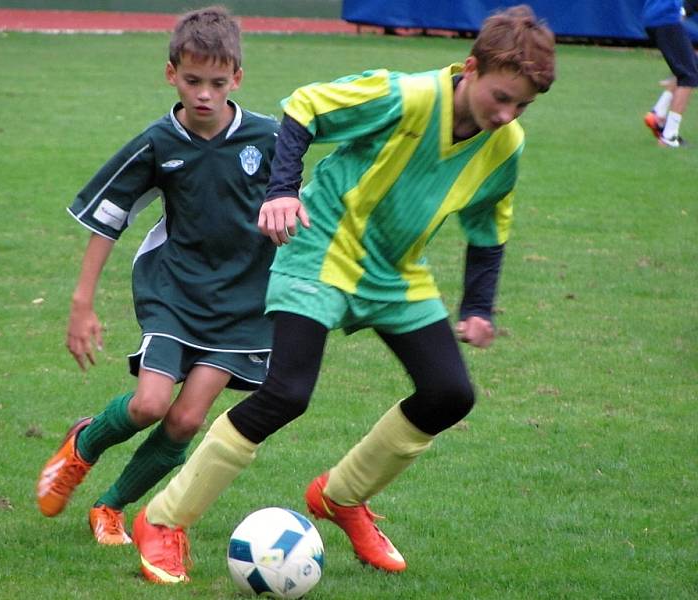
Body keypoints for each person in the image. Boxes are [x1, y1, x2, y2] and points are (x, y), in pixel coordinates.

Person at [130, 4, 556, 584]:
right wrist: (282, 191)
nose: (507, 115)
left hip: (396, 272)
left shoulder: (505, 145)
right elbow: (303, 108)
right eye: (501, 97)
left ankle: (341, 496)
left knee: (450, 394)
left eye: (522, 106)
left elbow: (489, 224)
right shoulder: (404, 97)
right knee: (286, 394)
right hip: (322, 250)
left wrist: (478, 307)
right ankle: (163, 519)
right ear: (472, 68)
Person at [36, 6, 279, 546]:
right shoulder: (158, 142)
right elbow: (108, 218)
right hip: (175, 291)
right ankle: (84, 444)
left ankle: (111, 505)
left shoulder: (269, 138)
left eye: (218, 83)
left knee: (187, 420)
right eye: (193, 81)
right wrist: (82, 302)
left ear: (237, 78)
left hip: (244, 304)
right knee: (149, 404)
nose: (205, 95)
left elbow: (301, 197)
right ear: (172, 73)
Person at [642, 0, 698, 147]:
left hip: (655, 16)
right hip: (666, 18)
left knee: (688, 69)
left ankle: (658, 114)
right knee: (689, 76)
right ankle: (669, 136)